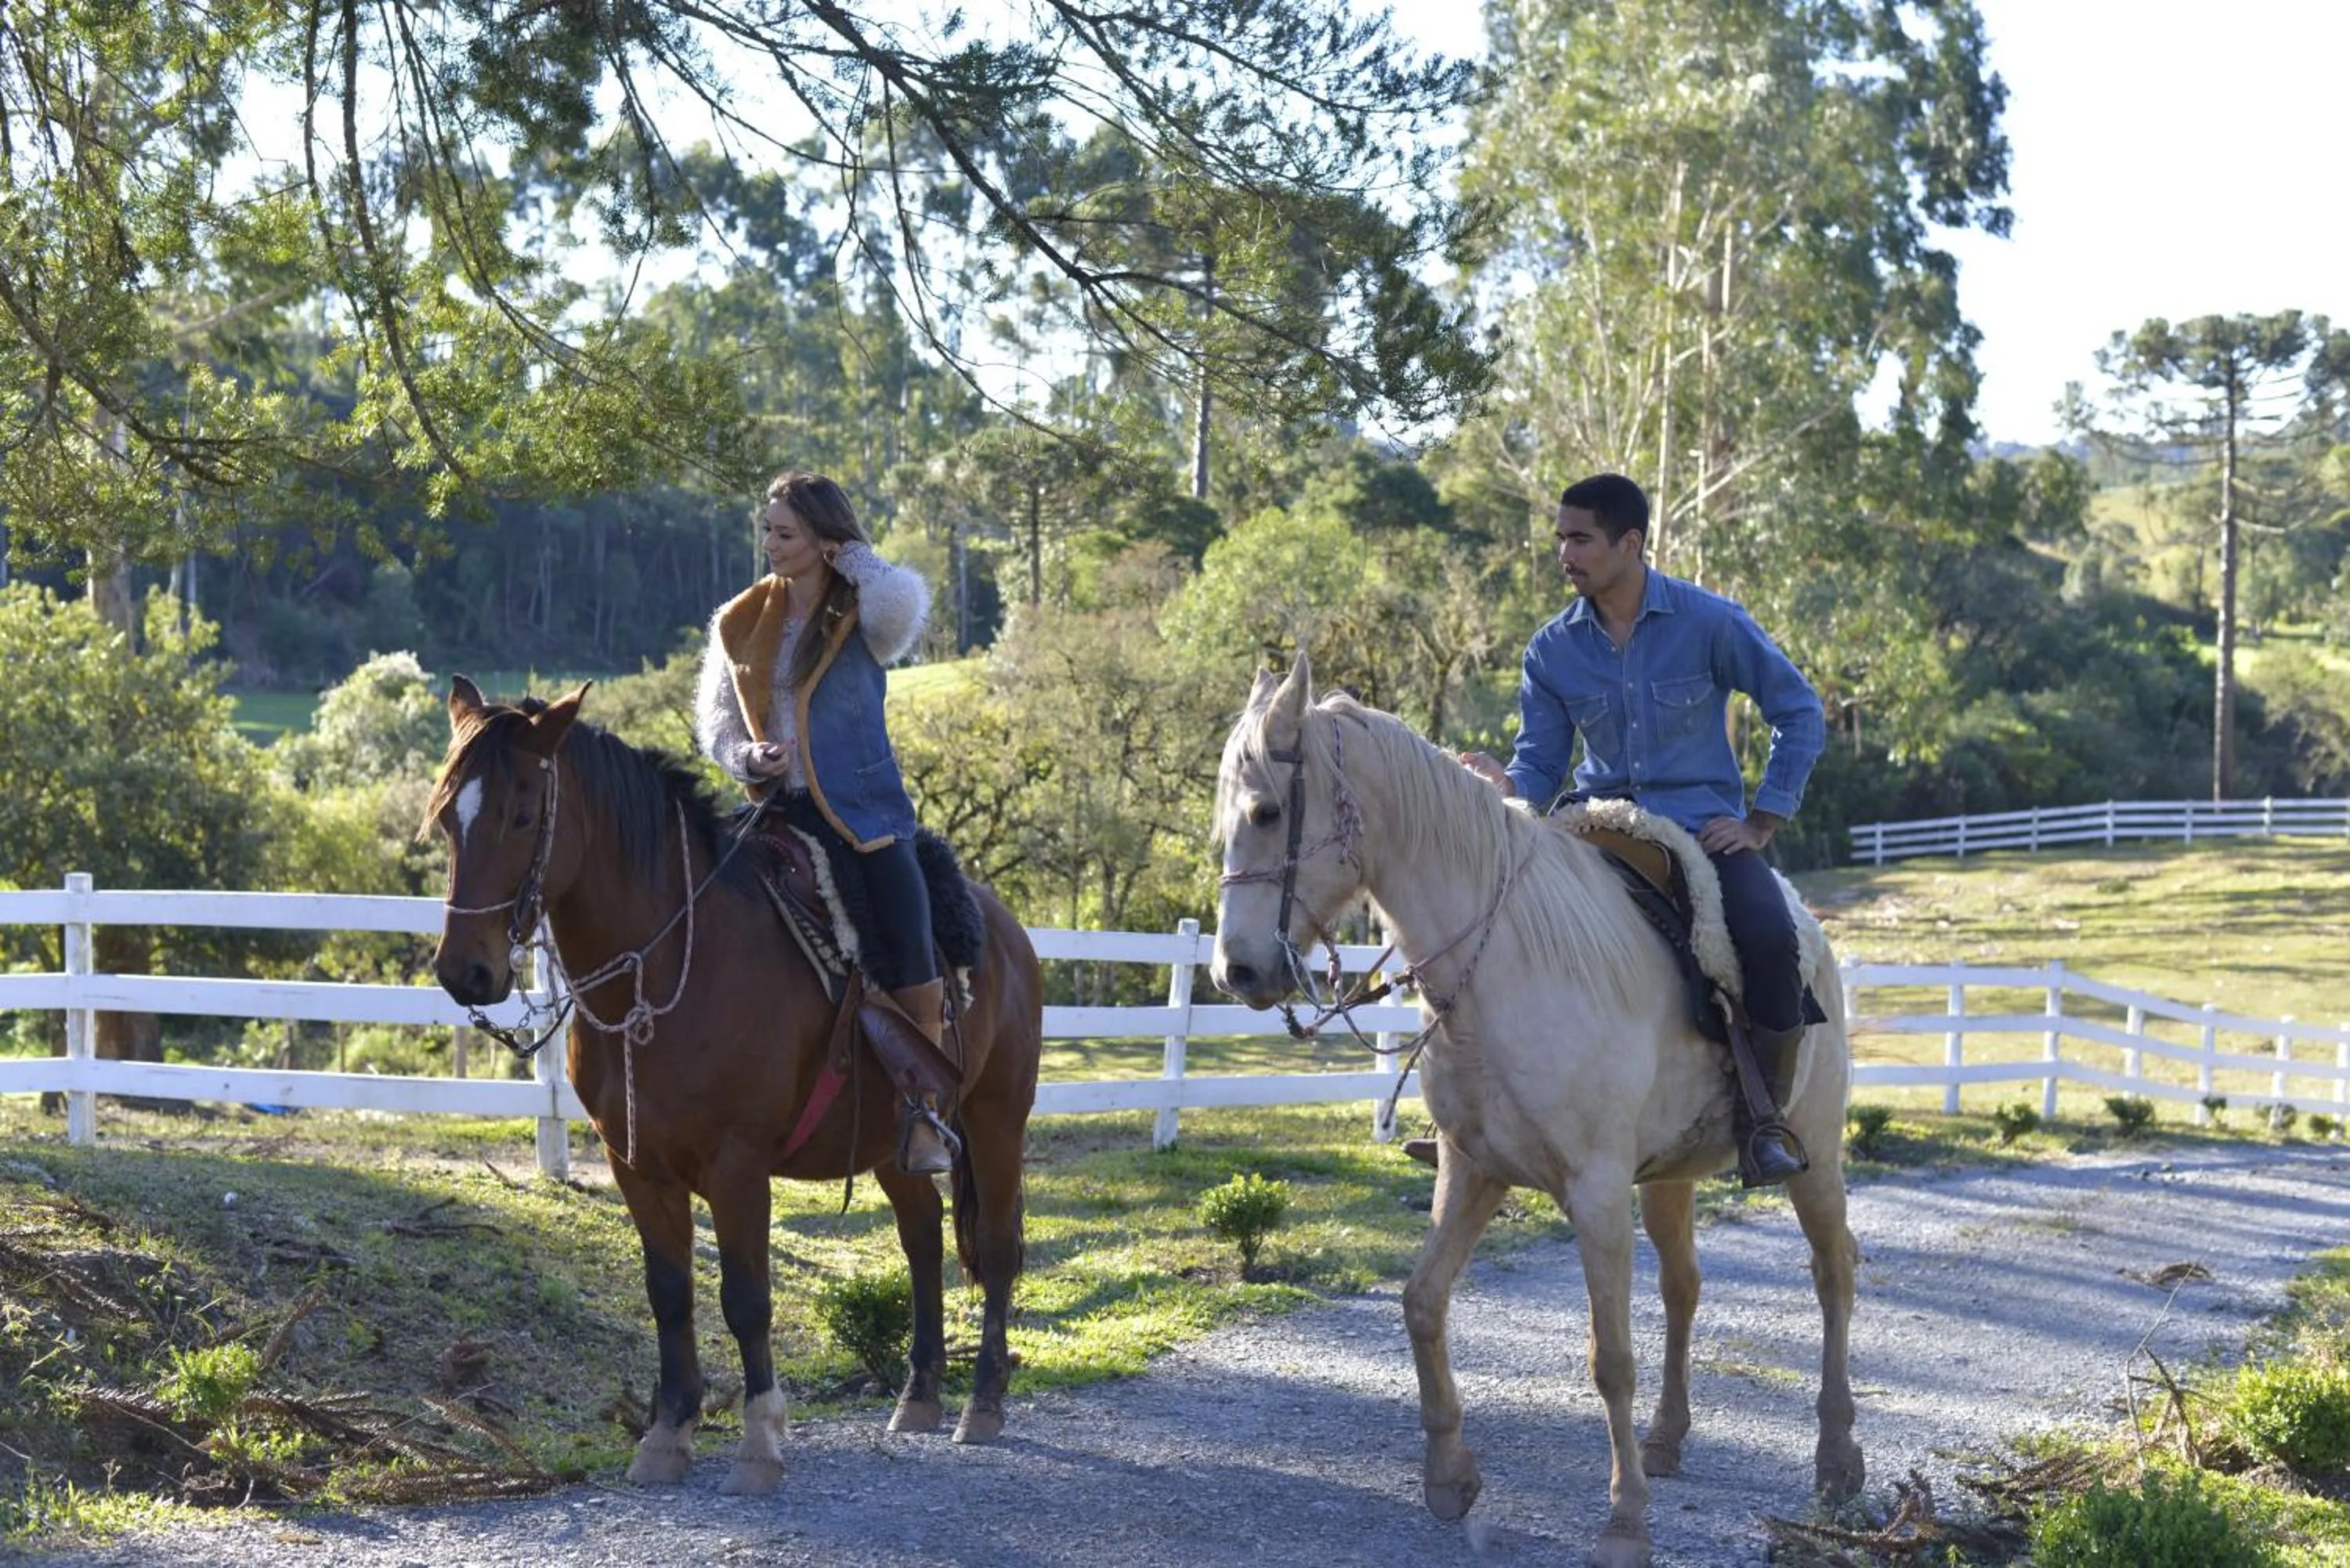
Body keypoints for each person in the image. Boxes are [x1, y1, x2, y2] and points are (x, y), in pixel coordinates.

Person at [1458, 472, 1826, 1186]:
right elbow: (1540, 763)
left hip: (1702, 830)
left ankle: (1761, 1125)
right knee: (1492, 924)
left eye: (1580, 538)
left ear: (1629, 542)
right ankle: (1479, 1122)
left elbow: (1799, 711)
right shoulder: (1551, 650)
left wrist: (1761, 820)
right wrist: (1503, 787)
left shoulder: (1710, 622)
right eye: (1560, 536)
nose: (1564, 552)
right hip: (1596, 826)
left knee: (1771, 937)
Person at [696, 469, 961, 1176]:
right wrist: (747, 756)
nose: (770, 545)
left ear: (822, 539)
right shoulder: (740, 618)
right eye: (768, 531)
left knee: (909, 929)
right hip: (773, 808)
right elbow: (715, 725)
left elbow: (905, 612)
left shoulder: (866, 606)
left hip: (865, 814)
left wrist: (858, 558)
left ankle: (924, 1113)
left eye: (785, 534)